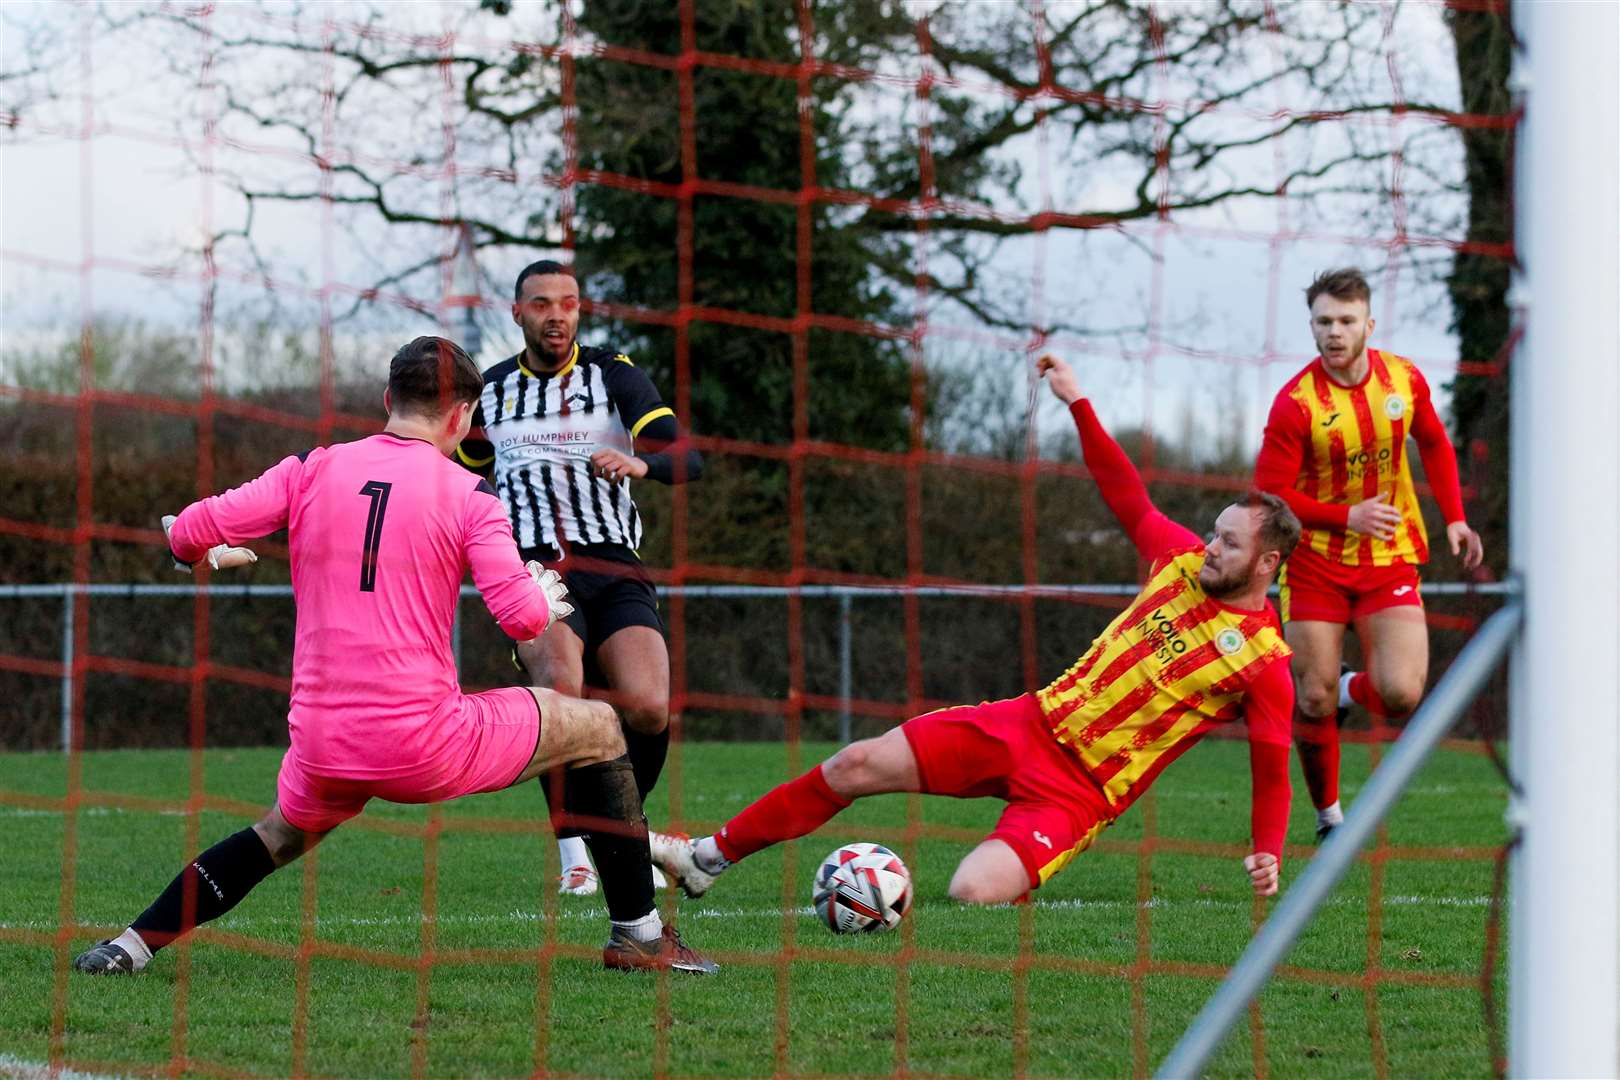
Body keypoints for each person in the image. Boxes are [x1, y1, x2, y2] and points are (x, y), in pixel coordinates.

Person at [71, 336, 714, 976]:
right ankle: (639, 936)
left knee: (275, 836)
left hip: (323, 743)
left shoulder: (309, 469)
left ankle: (129, 946)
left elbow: (186, 533)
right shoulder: (470, 494)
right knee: (600, 726)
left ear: (387, 400)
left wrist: (207, 552)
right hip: (424, 743)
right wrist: (545, 596)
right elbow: (519, 616)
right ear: (463, 417)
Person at [651, 354, 1300, 906]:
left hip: (1077, 794)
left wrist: (1268, 849)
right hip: (1025, 725)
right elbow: (1124, 489)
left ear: (1267, 562)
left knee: (970, 892)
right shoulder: (1178, 561)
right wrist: (1077, 402)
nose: (1212, 547)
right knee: (855, 762)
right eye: (1215, 532)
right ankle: (707, 858)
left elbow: (1271, 770)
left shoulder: (1264, 661)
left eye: (1230, 543)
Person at [456, 260, 703, 896]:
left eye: (567, 302)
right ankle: (575, 852)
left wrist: (641, 465)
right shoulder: (491, 392)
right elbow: (449, 468)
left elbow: (685, 454)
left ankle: (623, 829)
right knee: (561, 692)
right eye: (541, 303)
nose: (556, 314)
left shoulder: (612, 375)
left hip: (614, 564)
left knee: (648, 706)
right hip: (534, 571)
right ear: (519, 315)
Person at [1254, 268, 1483, 841]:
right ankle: (1329, 817)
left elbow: (1432, 439)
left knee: (1402, 693)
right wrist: (1345, 515)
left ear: (1368, 324)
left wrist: (1454, 515)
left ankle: (1351, 688)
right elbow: (1271, 493)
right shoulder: (1296, 403)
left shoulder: (1402, 380)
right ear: (1311, 327)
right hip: (1314, 565)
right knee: (1311, 695)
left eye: (1346, 321)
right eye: (1323, 321)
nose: (1334, 332)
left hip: (1389, 556)